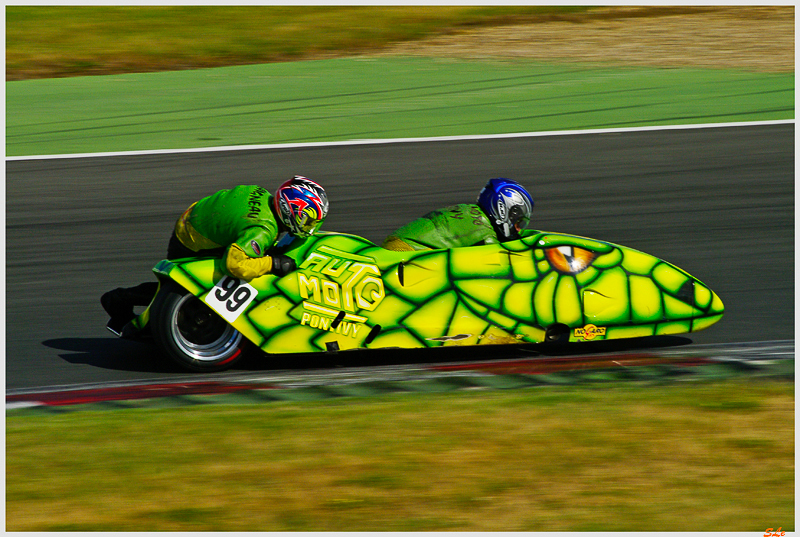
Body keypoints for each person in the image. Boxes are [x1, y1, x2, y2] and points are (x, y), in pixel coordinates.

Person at [101, 176, 329, 332]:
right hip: (193, 241)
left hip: (195, 219)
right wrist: (272, 264)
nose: (311, 226)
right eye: (307, 218)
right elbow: (234, 264)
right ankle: (119, 300)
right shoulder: (263, 229)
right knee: (199, 288)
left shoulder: (261, 193)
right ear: (291, 209)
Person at [381, 178, 534, 251]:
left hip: (397, 241)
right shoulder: (487, 235)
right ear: (504, 210)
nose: (518, 229)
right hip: (407, 253)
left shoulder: (468, 210)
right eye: (518, 222)